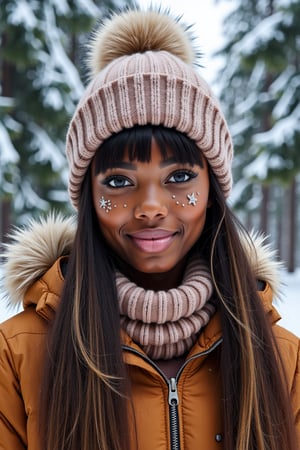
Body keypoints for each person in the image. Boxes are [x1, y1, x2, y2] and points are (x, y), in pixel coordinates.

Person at [0, 7, 299, 450]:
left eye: (179, 177)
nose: (151, 208)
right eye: (119, 182)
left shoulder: (281, 356)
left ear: (213, 189)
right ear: (88, 197)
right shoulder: (19, 353)